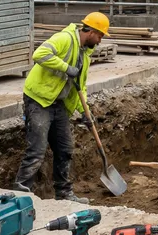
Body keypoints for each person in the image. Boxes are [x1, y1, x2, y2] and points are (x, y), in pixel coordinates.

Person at [14, 12, 110, 202]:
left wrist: (85, 113)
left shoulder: (85, 54)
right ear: (90, 31)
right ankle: (20, 196)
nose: (100, 41)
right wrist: (66, 68)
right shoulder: (64, 38)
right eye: (99, 35)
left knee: (65, 149)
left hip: (59, 104)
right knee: (37, 151)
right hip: (39, 100)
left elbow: (79, 87)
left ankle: (64, 193)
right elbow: (39, 54)